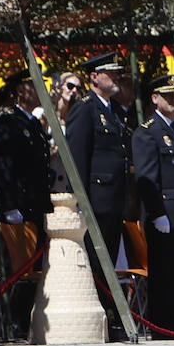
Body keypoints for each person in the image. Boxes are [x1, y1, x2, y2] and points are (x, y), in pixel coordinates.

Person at [132, 74, 174, 336]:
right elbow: (147, 176)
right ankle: (161, 324)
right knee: (162, 270)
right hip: (164, 213)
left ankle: (173, 321)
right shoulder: (147, 131)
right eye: (168, 95)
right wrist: (157, 213)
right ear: (155, 98)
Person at [64, 53, 131, 288]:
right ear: (94, 77)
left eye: (117, 72)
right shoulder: (85, 109)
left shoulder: (115, 111)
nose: (116, 77)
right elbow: (77, 158)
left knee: (108, 263)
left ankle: (108, 314)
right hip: (95, 201)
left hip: (113, 200)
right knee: (94, 263)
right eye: (110, 72)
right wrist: (79, 200)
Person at [0, 70, 54, 234]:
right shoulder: (8, 121)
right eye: (35, 85)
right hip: (20, 202)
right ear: (20, 91)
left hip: (36, 202)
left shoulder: (33, 122)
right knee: (22, 258)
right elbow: (3, 165)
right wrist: (10, 206)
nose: (42, 90)